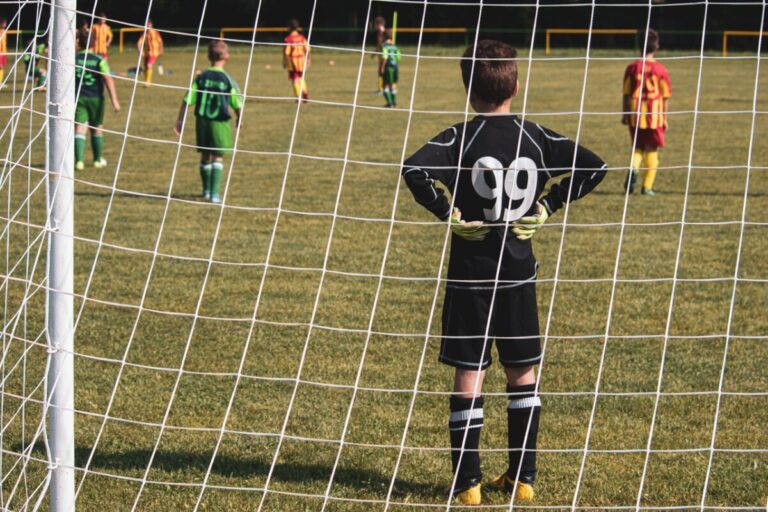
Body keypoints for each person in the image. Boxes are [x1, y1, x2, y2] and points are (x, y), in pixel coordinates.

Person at [401, 40, 607, 506]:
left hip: (470, 275)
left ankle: (468, 483)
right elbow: (595, 166)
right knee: (522, 374)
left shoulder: (461, 138)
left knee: (469, 374)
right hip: (518, 273)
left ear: (468, 88)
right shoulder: (534, 136)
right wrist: (549, 205)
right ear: (516, 84)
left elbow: (413, 169)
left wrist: (447, 212)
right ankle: (523, 476)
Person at [174, 39, 242, 204]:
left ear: (208, 56)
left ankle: (205, 191)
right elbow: (237, 103)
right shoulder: (228, 79)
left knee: (205, 155)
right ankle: (214, 194)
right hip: (220, 122)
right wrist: (240, 118)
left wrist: (180, 120)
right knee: (218, 156)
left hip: (202, 122)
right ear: (227, 57)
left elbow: (187, 99)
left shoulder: (201, 77)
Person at [622, 29, 671, 196]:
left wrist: (625, 114)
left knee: (638, 147)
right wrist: (664, 118)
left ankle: (633, 169)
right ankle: (647, 187)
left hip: (635, 115)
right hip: (654, 116)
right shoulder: (661, 69)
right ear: (656, 46)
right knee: (652, 150)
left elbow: (626, 94)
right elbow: (665, 97)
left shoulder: (632, 68)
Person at [74, 29, 120, 171]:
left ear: (78, 42)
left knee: (79, 128)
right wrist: (114, 100)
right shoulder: (99, 60)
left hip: (78, 98)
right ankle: (97, 160)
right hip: (96, 98)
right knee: (96, 128)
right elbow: (107, 78)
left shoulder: (73, 59)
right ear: (94, 42)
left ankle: (79, 162)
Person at [283, 19, 309, 101]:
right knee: (301, 77)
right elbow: (307, 49)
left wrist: (285, 62)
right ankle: (304, 92)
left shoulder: (288, 39)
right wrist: (308, 59)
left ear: (289, 28)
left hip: (292, 61)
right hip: (301, 60)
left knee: (294, 78)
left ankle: (298, 96)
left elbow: (286, 53)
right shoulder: (302, 38)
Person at [137, 19, 163, 86]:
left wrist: (161, 49)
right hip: (146, 53)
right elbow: (139, 43)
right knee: (145, 67)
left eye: (149, 24)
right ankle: (146, 81)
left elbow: (160, 41)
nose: (147, 26)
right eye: (146, 24)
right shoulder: (144, 33)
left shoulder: (156, 32)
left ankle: (148, 82)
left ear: (151, 25)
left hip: (154, 53)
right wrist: (139, 50)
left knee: (149, 65)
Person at [379, 29, 400, 108]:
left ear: (384, 36)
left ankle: (390, 103)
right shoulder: (394, 45)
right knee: (392, 85)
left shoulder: (384, 45)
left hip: (388, 67)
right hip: (395, 67)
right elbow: (398, 57)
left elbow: (385, 57)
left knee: (384, 85)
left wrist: (382, 68)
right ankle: (394, 103)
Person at [372, 16, 386, 94]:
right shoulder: (379, 34)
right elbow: (379, 45)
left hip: (385, 56)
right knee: (380, 72)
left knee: (383, 71)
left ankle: (384, 89)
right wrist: (374, 53)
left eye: (376, 25)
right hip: (380, 56)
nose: (375, 26)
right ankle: (380, 88)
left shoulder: (386, 33)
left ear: (380, 24)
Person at [0, 19, 8, 85]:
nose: (4, 25)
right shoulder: (1, 32)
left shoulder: (4, 31)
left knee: (1, 67)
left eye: (5, 23)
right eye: (3, 23)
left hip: (3, 52)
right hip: (0, 52)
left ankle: (1, 82)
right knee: (1, 66)